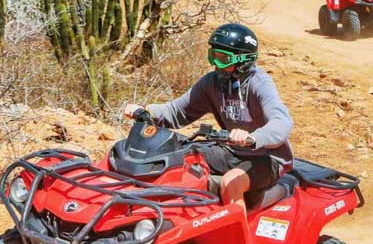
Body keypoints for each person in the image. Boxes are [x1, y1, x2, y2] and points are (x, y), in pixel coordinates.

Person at [121, 23, 292, 209]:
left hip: (267, 158)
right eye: (213, 56)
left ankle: (237, 237)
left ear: (243, 60)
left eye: (223, 59)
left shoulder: (258, 83)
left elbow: (282, 122)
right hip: (231, 151)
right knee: (178, 158)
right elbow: (177, 111)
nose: (216, 64)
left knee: (231, 183)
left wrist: (253, 138)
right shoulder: (213, 83)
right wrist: (147, 111)